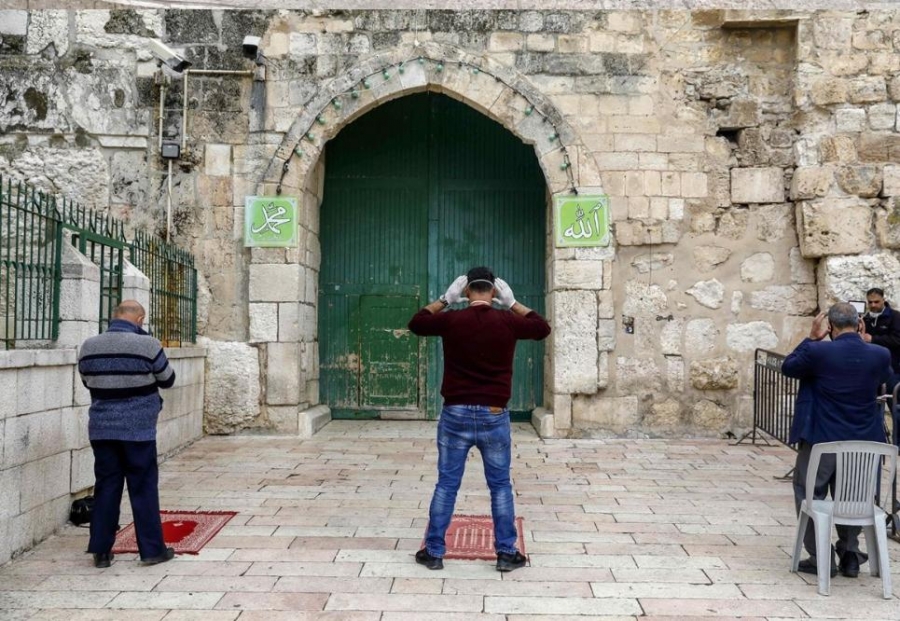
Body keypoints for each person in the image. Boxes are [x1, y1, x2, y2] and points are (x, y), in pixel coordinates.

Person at [408, 267, 550, 572]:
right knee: (499, 486)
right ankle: (505, 553)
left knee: (447, 484)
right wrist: (513, 304)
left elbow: (417, 323)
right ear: (495, 291)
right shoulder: (509, 321)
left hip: (455, 413)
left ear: (467, 290)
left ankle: (434, 552)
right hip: (494, 414)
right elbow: (541, 327)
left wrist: (445, 300)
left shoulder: (451, 319)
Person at [783, 302, 893, 579]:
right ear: (859, 324)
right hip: (863, 444)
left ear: (829, 326)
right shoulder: (880, 354)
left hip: (822, 439)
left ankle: (820, 557)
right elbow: (885, 379)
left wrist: (811, 337)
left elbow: (789, 367)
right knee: (854, 498)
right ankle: (851, 554)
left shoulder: (818, 351)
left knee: (808, 492)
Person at [77, 300, 177, 568]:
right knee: (142, 487)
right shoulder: (147, 345)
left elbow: (87, 381)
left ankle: (101, 551)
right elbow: (168, 379)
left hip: (101, 429)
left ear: (114, 317)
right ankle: (152, 550)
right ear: (140, 319)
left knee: (106, 486)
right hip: (138, 429)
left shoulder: (88, 346)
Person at [860, 287, 900, 389]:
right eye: (870, 302)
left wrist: (873, 339)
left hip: (893, 368)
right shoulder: (866, 319)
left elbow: (897, 340)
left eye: (876, 302)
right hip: (872, 368)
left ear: (883, 300)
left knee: (894, 400)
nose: (873, 305)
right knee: (874, 401)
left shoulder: (896, 317)